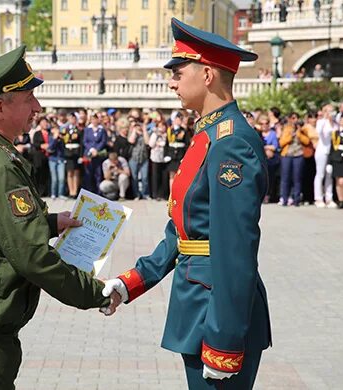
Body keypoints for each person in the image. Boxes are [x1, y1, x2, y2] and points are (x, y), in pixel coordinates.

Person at [0, 45, 119, 390]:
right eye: (29, 98)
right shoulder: (0, 166)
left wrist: (47, 223)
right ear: (0, 107)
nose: (38, 108)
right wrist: (97, 293)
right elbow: (32, 257)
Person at [101, 18, 271, 389]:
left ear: (207, 74)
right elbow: (183, 232)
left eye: (178, 72)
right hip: (198, 304)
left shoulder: (231, 143)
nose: (171, 82)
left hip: (217, 314)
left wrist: (225, 339)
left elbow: (236, 248)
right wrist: (131, 282)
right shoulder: (207, 134)